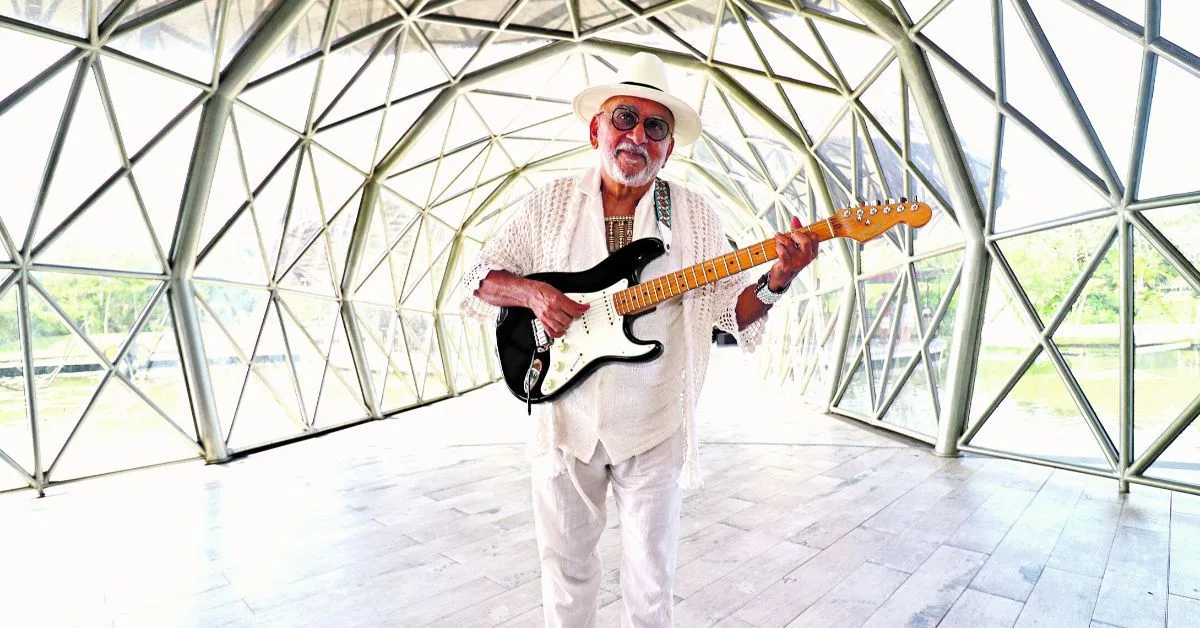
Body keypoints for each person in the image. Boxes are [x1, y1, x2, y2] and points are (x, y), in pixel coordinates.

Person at [460, 52, 819, 627]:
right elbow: (477, 277)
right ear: (596, 129)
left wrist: (779, 279)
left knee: (652, 583)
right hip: (565, 418)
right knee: (565, 571)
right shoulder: (548, 203)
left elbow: (730, 309)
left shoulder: (695, 215)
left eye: (656, 128)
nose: (637, 136)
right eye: (624, 118)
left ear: (669, 148)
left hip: (654, 424)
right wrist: (534, 296)